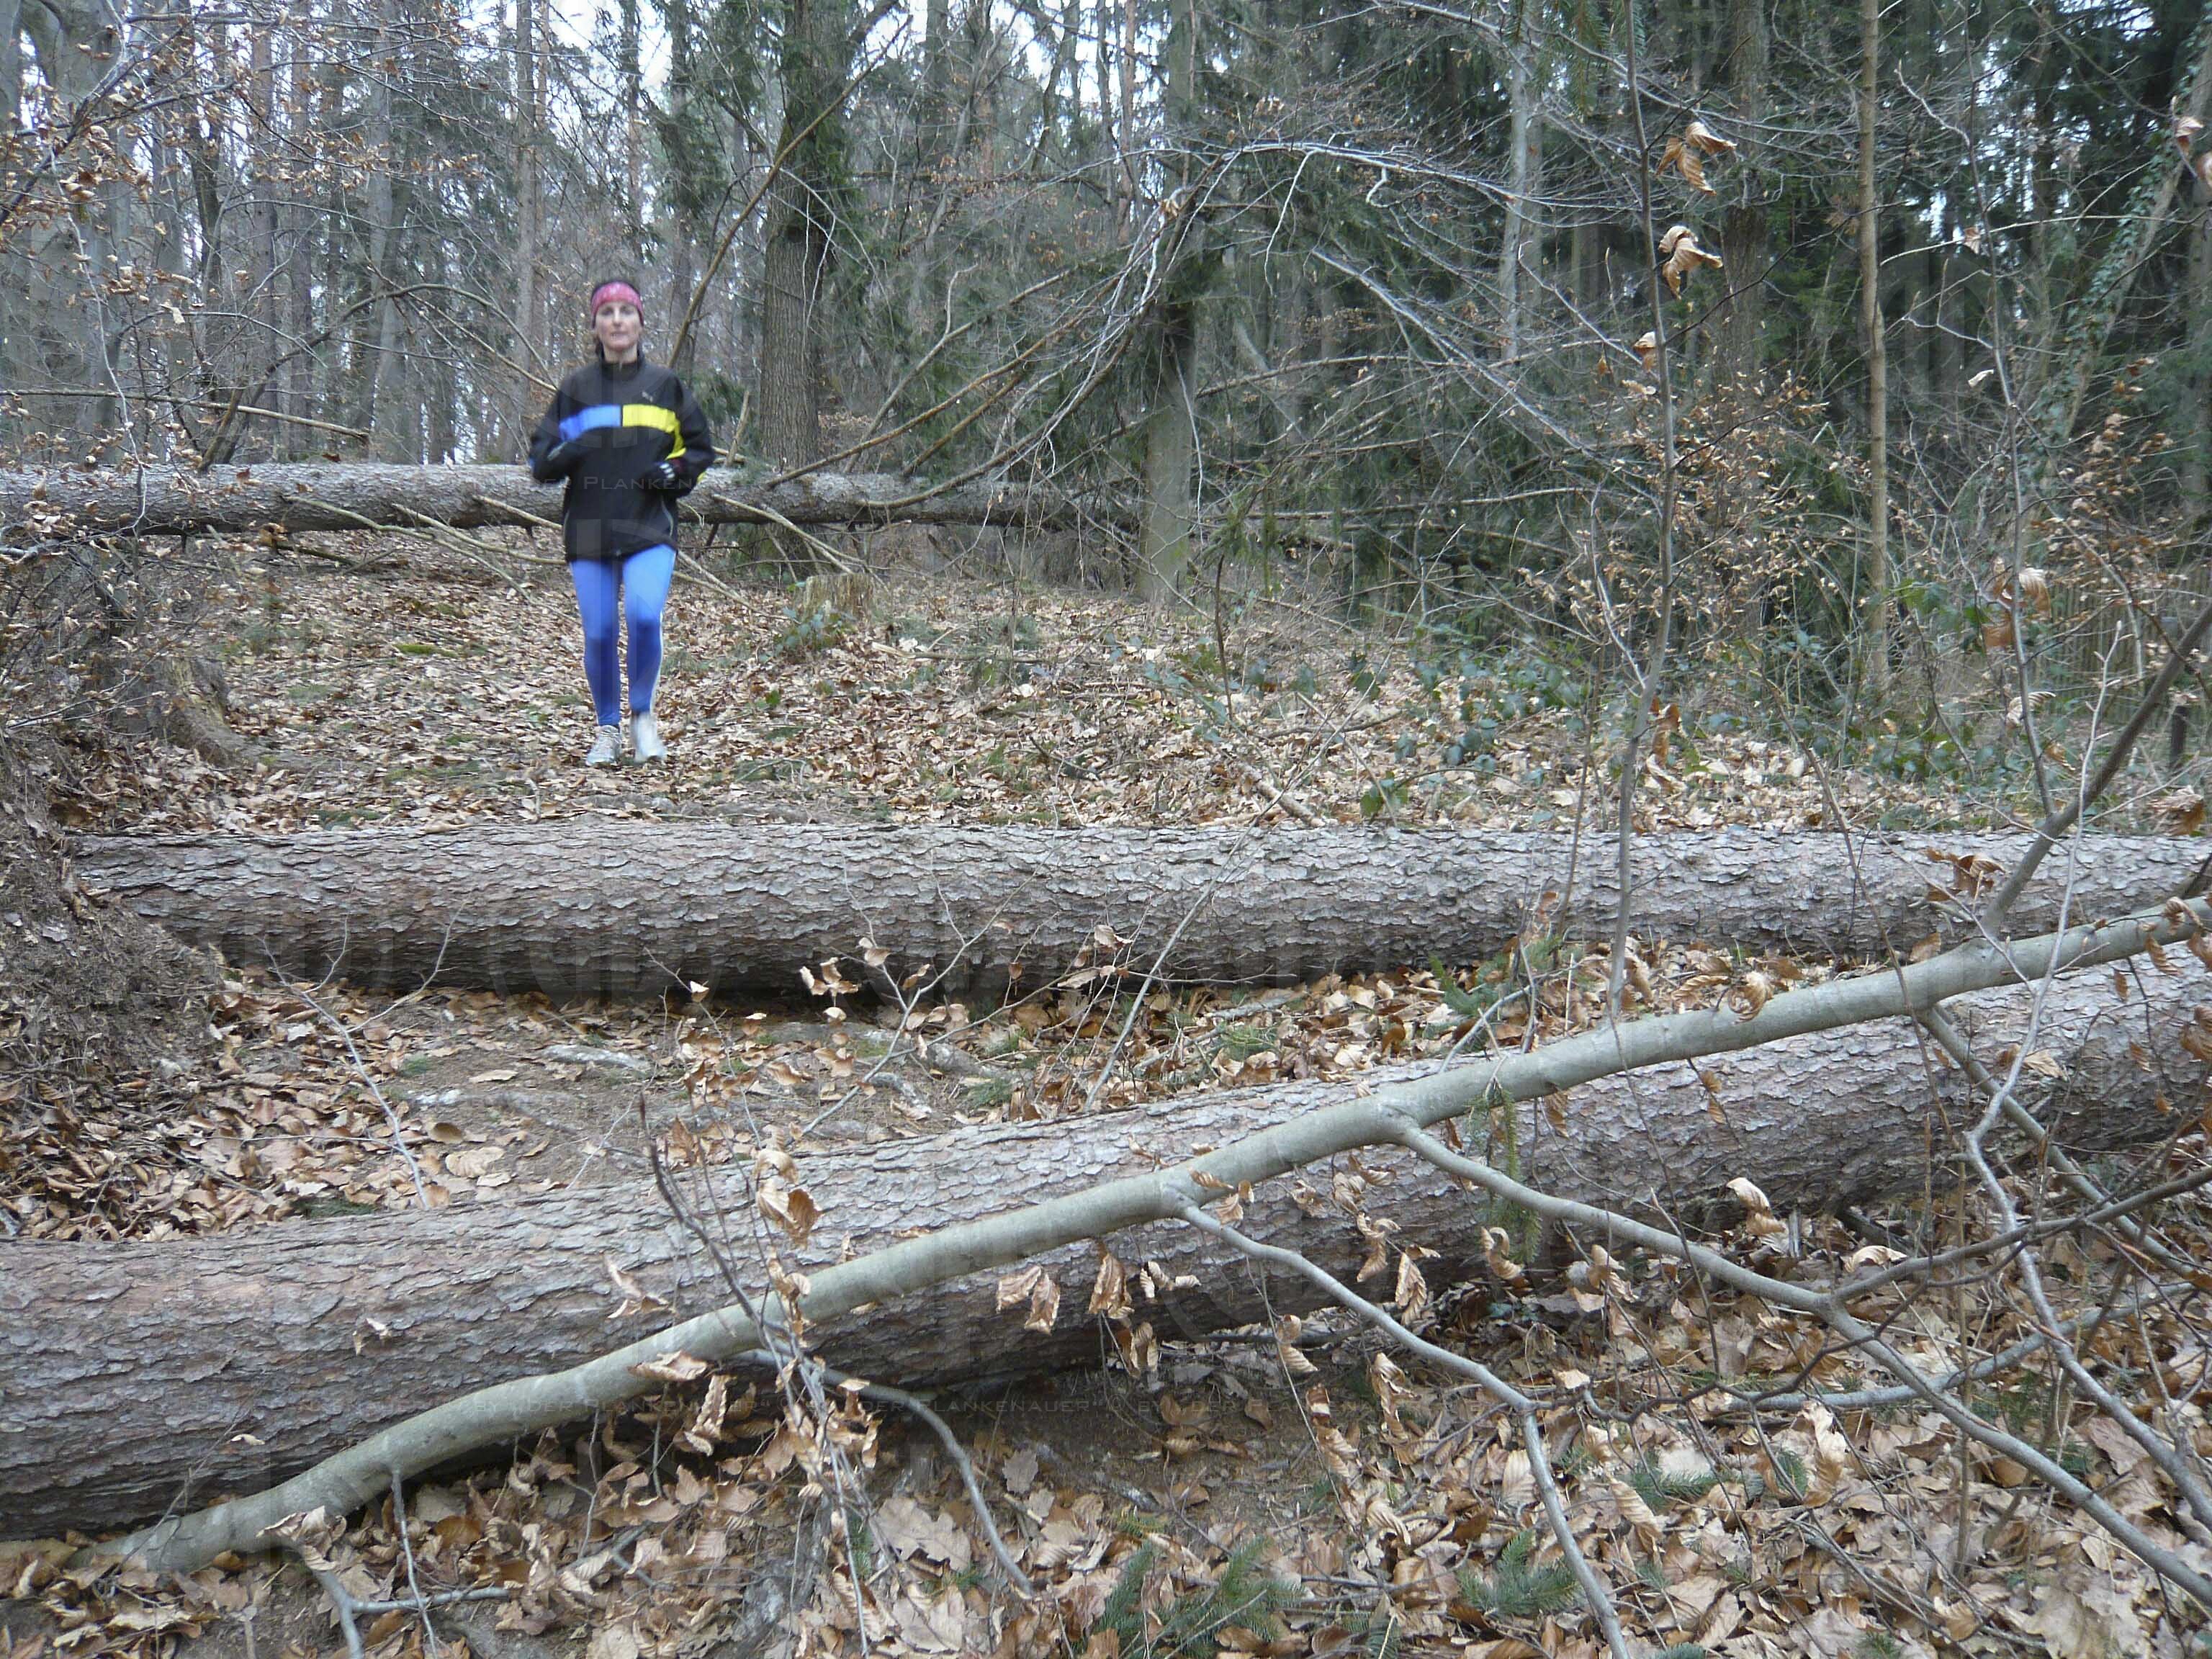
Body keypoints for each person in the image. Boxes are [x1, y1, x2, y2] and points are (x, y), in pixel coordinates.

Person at [528, 279, 716, 765]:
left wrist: (673, 473)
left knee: (644, 615)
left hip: (649, 523)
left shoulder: (665, 386)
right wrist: (574, 451)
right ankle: (607, 730)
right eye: (606, 312)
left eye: (625, 312)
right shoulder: (576, 390)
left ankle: (643, 719)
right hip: (589, 527)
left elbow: (699, 449)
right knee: (599, 632)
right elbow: (540, 461)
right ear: (594, 325)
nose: (616, 320)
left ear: (640, 324)